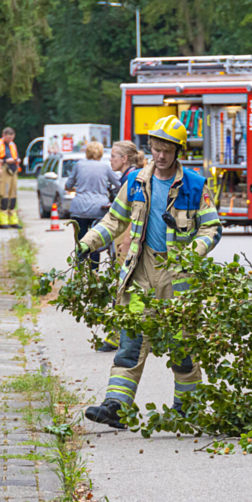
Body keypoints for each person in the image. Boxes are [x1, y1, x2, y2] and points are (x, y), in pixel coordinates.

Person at [77, 116, 222, 429]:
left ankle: (188, 410)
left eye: (166, 150)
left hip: (178, 280)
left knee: (182, 347)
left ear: (177, 151)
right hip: (141, 276)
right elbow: (114, 221)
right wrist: (86, 244)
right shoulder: (136, 183)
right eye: (156, 149)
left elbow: (212, 227)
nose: (160, 156)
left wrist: (194, 254)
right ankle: (116, 406)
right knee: (130, 340)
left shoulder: (195, 186)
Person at [97, 140, 147, 353]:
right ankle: (135, 333)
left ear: (124, 159)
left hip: (127, 241)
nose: (110, 159)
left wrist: (126, 242)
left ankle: (120, 335)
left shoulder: (133, 179)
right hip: (125, 239)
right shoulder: (127, 178)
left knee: (124, 287)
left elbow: (135, 215)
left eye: (114, 156)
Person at [65, 141, 121, 269]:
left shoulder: (78, 165)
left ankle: (79, 272)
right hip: (98, 209)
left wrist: (76, 188)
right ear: (101, 153)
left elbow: (68, 185)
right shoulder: (105, 167)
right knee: (96, 240)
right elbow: (119, 184)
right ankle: (94, 272)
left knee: (81, 242)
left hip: (79, 209)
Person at [0, 127, 20, 229]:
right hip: (3, 170)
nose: (10, 140)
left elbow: (15, 155)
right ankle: (3, 221)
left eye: (11, 138)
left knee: (12, 196)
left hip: (13, 170)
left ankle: (13, 220)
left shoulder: (13, 145)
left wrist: (17, 160)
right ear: (3, 135)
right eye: (8, 138)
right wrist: (5, 161)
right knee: (3, 195)